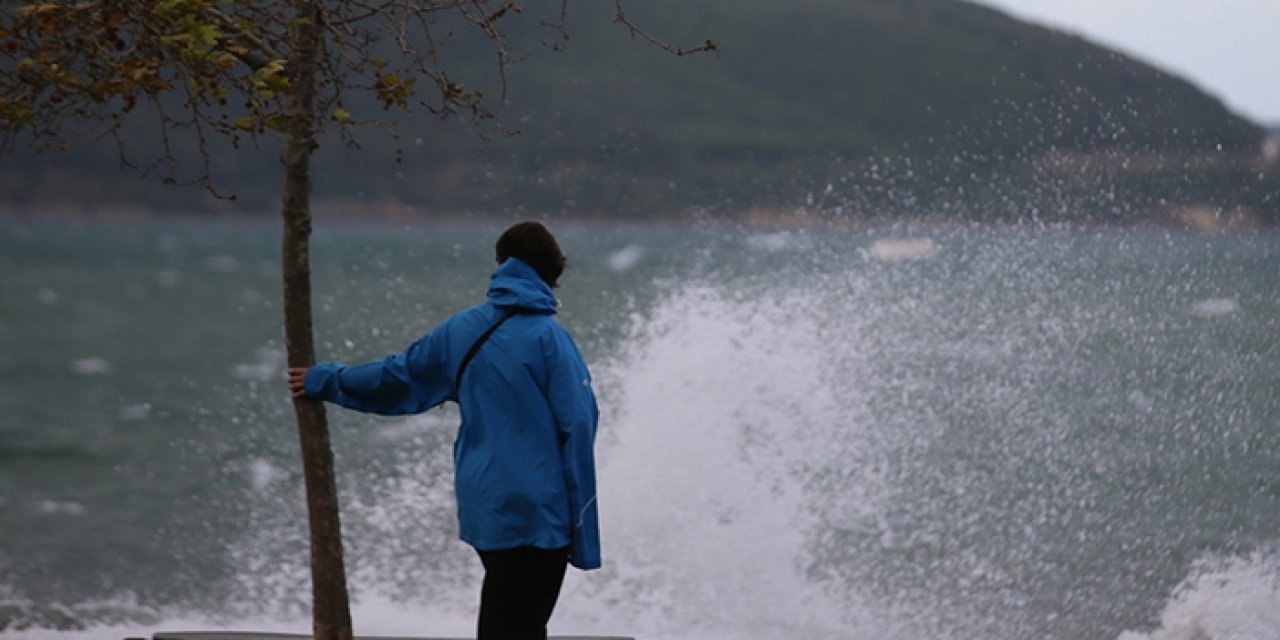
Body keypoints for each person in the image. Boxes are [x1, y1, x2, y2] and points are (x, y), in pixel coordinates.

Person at [287, 221, 600, 640]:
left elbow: (395, 378)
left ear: (501, 264)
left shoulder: (462, 329)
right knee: (516, 625)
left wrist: (325, 379)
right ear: (552, 273)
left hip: (484, 502)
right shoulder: (551, 340)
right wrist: (582, 529)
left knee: (510, 616)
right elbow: (578, 425)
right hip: (538, 509)